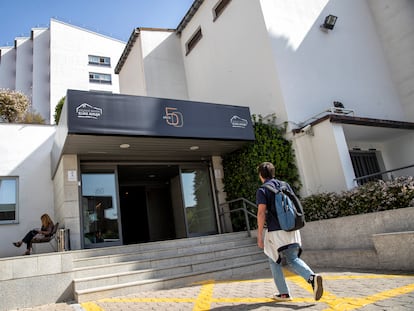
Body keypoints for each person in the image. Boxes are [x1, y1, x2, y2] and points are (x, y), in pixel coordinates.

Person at [256, 162, 323, 302]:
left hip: (276, 232)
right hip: (292, 228)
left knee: (274, 260)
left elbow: (261, 213)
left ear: (261, 175)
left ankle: (284, 294)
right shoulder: (285, 185)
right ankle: (312, 278)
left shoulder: (263, 190)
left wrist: (260, 235)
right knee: (293, 259)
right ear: (273, 173)